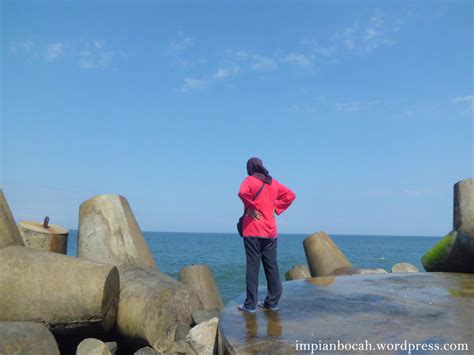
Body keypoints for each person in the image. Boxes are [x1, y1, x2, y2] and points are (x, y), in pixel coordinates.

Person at [237, 157, 296, 313]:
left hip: (252, 230)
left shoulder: (249, 180)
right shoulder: (273, 183)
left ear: (250, 168)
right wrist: (276, 208)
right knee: (272, 267)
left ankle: (250, 305)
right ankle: (272, 302)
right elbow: (290, 195)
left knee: (253, 267)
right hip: (270, 231)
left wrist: (251, 206)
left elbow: (242, 192)